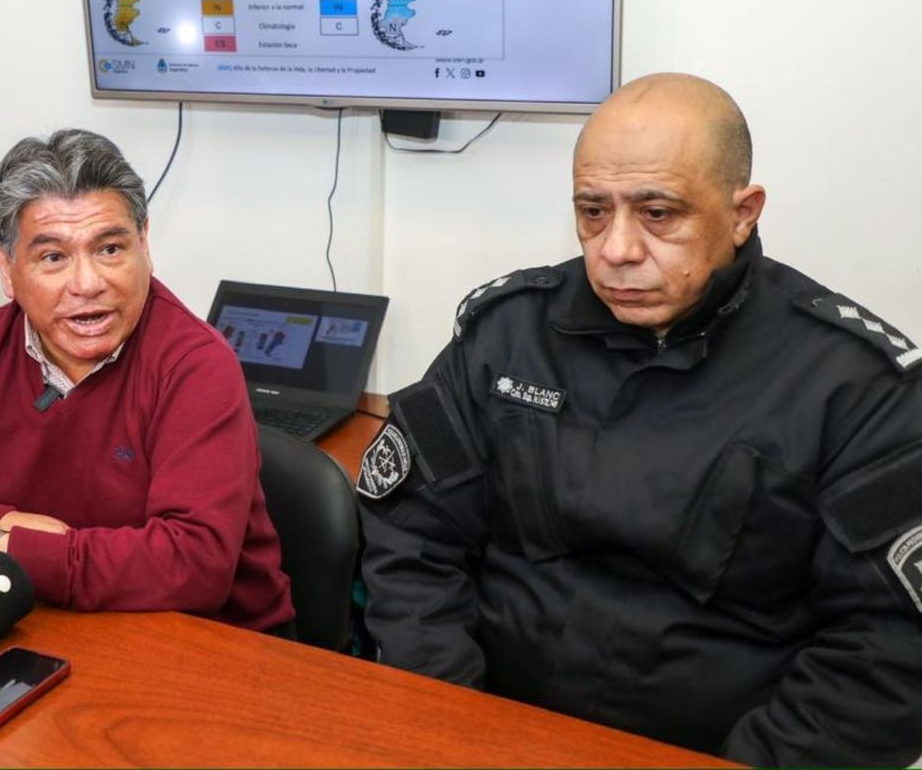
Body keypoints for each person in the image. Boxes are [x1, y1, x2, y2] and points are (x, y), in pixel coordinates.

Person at [357, 73, 922, 765]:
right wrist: (448, 721)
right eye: (593, 212)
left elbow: (887, 649)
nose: (617, 249)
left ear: (743, 212)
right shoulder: (507, 334)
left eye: (658, 214)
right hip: (484, 724)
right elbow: (413, 538)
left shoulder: (856, 386)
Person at [0, 128, 293, 632]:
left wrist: (2, 548)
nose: (88, 283)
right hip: (43, 624)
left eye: (111, 249)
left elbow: (194, 564)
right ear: (6, 268)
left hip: (209, 649)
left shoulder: (196, 365)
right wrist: (7, 526)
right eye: (53, 257)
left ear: (145, 245)